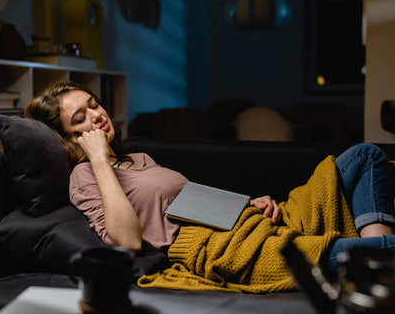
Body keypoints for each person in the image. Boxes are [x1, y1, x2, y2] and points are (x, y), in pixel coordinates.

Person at [25, 81, 395, 289]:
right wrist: (99, 159)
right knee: (379, 252)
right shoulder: (86, 176)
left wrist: (247, 202)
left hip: (243, 221)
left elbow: (191, 200)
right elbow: (128, 240)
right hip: (220, 246)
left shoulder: (138, 159)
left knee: (364, 155)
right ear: (69, 139)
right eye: (81, 117)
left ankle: (369, 252)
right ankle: (373, 258)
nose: (97, 115)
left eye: (94, 104)